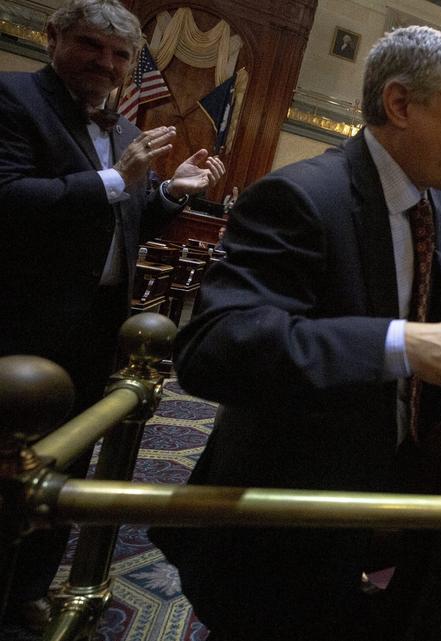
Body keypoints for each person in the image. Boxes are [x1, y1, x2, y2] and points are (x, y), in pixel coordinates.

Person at [149, 25, 441, 640]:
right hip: (289, 511)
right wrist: (398, 342)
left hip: (395, 496)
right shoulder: (299, 197)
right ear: (400, 105)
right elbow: (215, 348)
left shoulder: (438, 202)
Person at [0, 0, 224, 628]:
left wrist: (168, 193)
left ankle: (26, 588)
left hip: (98, 325)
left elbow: (122, 218)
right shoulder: (14, 99)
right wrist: (115, 181)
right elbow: (10, 200)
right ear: (53, 39)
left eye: (120, 54)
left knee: (68, 465)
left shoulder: (124, 131)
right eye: (91, 46)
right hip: (20, 323)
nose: (106, 63)